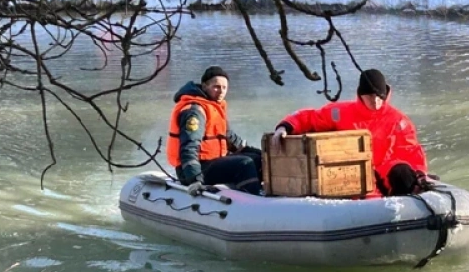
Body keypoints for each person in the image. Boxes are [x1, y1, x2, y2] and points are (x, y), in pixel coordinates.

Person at [270, 69, 428, 196]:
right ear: (361, 94)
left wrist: (420, 175)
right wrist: (285, 126)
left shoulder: (399, 121)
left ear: (385, 95)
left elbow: (411, 152)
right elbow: (310, 118)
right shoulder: (340, 112)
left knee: (403, 174)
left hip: (383, 171)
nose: (375, 101)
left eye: (379, 96)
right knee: (357, 183)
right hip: (350, 173)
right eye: (370, 96)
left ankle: (403, 213)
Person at [167, 66, 262, 194]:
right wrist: (194, 179)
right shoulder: (195, 111)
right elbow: (189, 147)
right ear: (205, 86)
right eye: (216, 87)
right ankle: (252, 198)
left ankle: (260, 192)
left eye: (224, 88)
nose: (221, 91)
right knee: (245, 163)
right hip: (197, 168)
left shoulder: (215, 107)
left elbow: (230, 138)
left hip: (213, 162)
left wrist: (261, 153)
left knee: (258, 158)